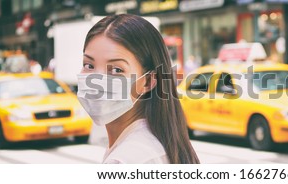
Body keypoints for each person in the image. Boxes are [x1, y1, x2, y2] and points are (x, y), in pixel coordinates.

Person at [77, 14, 199, 164]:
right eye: (89, 65)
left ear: (148, 81)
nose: (96, 80)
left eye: (116, 70)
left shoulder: (126, 160)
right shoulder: (155, 143)